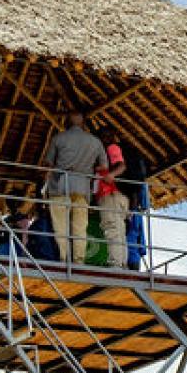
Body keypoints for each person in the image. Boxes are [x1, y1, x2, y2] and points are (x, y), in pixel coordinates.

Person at [40, 110, 106, 264]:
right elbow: (103, 166)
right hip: (82, 186)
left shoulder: (59, 138)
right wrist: (87, 170)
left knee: (60, 225)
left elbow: (48, 164)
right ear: (83, 123)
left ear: (67, 122)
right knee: (80, 226)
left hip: (60, 184)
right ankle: (78, 260)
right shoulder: (95, 142)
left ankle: (64, 258)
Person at [94, 133, 129, 268]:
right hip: (116, 196)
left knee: (112, 228)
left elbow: (121, 166)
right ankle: (122, 263)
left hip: (109, 194)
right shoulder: (109, 152)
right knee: (119, 230)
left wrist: (111, 175)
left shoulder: (111, 148)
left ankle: (115, 264)